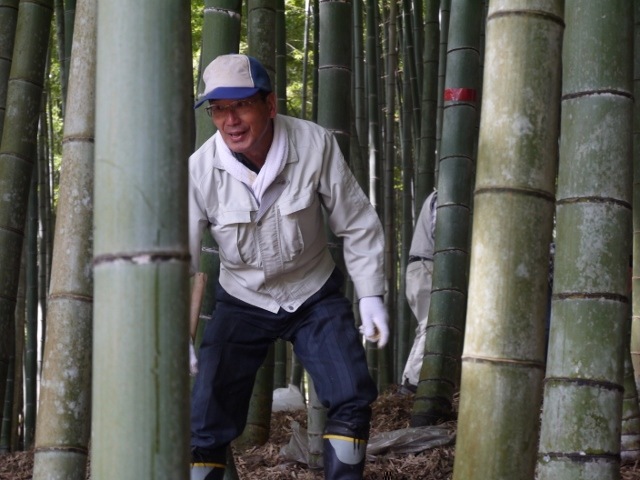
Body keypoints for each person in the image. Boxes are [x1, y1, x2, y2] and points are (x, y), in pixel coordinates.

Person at [187, 53, 389, 480]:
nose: (230, 121)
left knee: (351, 395)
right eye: (218, 109)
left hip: (312, 291)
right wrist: (178, 333)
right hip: (242, 297)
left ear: (270, 104)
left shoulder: (313, 144)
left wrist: (371, 294)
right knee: (204, 421)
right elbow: (181, 261)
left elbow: (356, 222)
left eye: (241, 105)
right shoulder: (200, 169)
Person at [400, 190, 437, 394]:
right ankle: (414, 383)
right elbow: (442, 233)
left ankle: (408, 380)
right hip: (426, 265)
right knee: (432, 325)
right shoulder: (443, 196)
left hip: (419, 267)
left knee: (425, 326)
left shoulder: (435, 196)